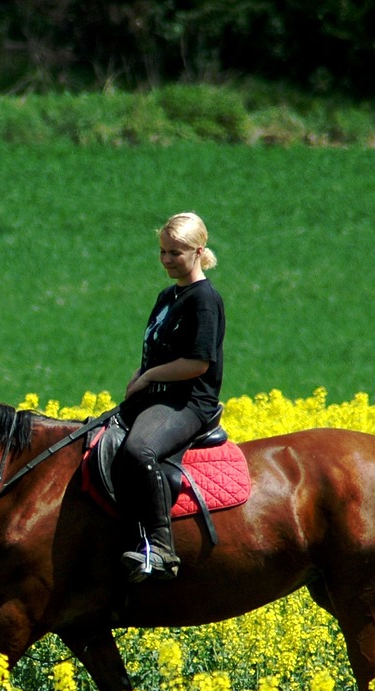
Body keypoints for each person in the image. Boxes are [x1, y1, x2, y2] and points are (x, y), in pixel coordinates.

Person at [115, 211, 225, 582]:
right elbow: (155, 350)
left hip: (189, 401)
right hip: (157, 395)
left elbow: (196, 363)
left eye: (174, 253)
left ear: (198, 251)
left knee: (139, 450)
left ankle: (160, 548)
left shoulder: (205, 300)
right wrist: (138, 377)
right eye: (162, 251)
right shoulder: (167, 296)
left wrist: (149, 377)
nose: (165, 260)